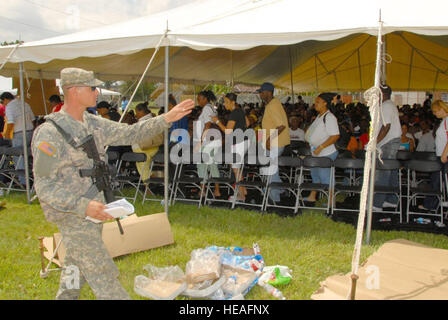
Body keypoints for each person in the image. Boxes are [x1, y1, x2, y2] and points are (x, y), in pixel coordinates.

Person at [31, 67, 193, 300]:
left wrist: (166, 118)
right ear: (74, 91)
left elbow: (131, 134)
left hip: (93, 209)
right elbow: (44, 186)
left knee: (74, 267)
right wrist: (81, 206)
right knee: (103, 274)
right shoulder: (50, 133)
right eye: (91, 87)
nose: (97, 92)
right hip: (73, 214)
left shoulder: (93, 123)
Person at [211, 93, 250, 201]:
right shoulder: (240, 111)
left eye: (226, 102)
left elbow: (227, 131)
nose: (224, 104)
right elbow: (248, 122)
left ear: (233, 102)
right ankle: (243, 191)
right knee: (238, 169)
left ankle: (241, 196)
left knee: (236, 170)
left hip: (238, 143)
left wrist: (217, 121)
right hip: (243, 142)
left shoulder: (234, 113)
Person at [304, 92, 340, 204]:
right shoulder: (320, 116)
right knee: (315, 175)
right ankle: (312, 196)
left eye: (318, 102)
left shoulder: (329, 117)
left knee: (325, 177)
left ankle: (331, 200)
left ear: (325, 103)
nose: (315, 104)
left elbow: (335, 136)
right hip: (316, 152)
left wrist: (321, 147)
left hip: (325, 152)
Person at [258, 82, 290, 203]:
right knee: (272, 170)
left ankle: (274, 199)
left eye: (262, 92)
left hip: (274, 143)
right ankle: (282, 190)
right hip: (274, 143)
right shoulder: (272, 104)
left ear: (269, 93)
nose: (260, 94)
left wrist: (268, 140)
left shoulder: (273, 105)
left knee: (271, 171)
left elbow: (281, 126)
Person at [372, 84, 402, 211]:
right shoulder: (388, 105)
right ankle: (391, 200)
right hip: (390, 140)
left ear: (381, 94)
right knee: (391, 172)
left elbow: (386, 127)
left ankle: (377, 204)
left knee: (383, 172)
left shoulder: (386, 106)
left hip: (388, 142)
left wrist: (374, 142)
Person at [0, 91, 35, 184]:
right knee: (28, 156)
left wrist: (6, 135)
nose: (3, 104)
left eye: (3, 102)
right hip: (30, 132)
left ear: (6, 100)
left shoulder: (10, 107)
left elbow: (10, 122)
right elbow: (33, 119)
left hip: (19, 133)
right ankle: (30, 179)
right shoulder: (25, 104)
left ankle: (23, 182)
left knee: (18, 157)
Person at [419, 100, 448, 211]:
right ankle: (431, 204)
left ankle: (430, 205)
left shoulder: (447, 121)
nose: (434, 113)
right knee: (437, 181)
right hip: (441, 155)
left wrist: (444, 154)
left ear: (441, 109)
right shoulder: (444, 121)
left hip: (443, 156)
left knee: (437, 182)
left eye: (435, 111)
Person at [195, 90, 221, 198]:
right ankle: (216, 190)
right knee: (212, 165)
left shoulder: (206, 109)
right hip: (213, 141)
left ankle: (204, 190)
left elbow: (207, 125)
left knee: (202, 165)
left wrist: (201, 141)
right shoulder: (211, 108)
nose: (198, 101)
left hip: (207, 141)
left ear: (205, 99)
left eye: (199, 99)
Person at [132, 102, 163, 182]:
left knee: (141, 162)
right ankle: (150, 181)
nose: (136, 114)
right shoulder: (152, 118)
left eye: (137, 112)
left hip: (146, 147)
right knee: (140, 163)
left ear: (141, 111)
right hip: (151, 147)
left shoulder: (144, 121)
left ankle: (149, 184)